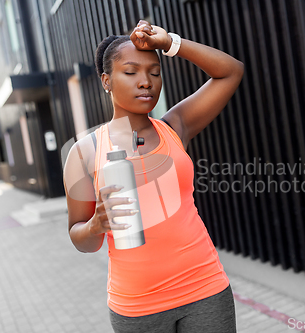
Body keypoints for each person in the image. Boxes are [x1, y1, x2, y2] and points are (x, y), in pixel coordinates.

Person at [63, 19, 244, 333]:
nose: (145, 81)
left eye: (154, 72)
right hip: (136, 306)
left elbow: (231, 71)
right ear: (106, 81)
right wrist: (95, 225)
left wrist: (170, 43)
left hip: (204, 288)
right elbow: (81, 239)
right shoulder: (84, 152)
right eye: (131, 72)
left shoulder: (175, 126)